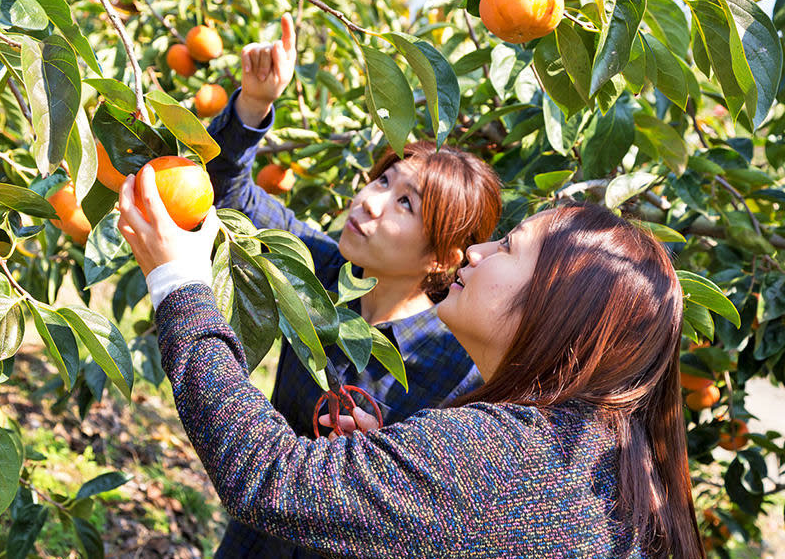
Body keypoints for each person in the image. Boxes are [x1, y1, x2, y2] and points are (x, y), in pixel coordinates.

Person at [116, 180, 704, 558]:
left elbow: (271, 477)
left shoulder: (506, 449)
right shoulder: (596, 454)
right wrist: (400, 478)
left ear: (558, 305)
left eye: (509, 248)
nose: (479, 252)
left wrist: (179, 285)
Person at [203, 14, 502, 556]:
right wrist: (253, 106)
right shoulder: (318, 271)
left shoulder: (456, 369)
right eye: (383, 180)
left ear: (442, 257)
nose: (369, 200)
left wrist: (380, 466)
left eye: (405, 203)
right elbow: (226, 197)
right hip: (255, 539)